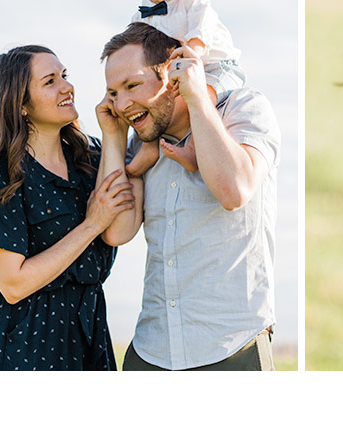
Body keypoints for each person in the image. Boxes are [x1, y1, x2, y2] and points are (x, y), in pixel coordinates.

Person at [102, 22, 280, 371]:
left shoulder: (244, 109)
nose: (122, 104)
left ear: (175, 74)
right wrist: (112, 136)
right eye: (113, 93)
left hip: (231, 349)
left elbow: (234, 190)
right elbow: (117, 231)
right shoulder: (143, 144)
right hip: (150, 353)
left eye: (132, 85)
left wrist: (199, 99)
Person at [0, 45, 141, 370]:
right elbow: (13, 285)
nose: (67, 86)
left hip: (88, 330)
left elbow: (118, 231)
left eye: (65, 76)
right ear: (21, 105)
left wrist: (114, 134)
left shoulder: (91, 159)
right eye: (50, 81)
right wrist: (91, 224)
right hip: (21, 341)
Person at [126, 0, 245, 175]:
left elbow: (204, 26)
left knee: (201, 101)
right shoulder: (141, 17)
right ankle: (148, 147)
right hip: (177, 73)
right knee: (152, 106)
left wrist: (194, 50)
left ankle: (192, 149)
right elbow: (131, 50)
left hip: (215, 67)